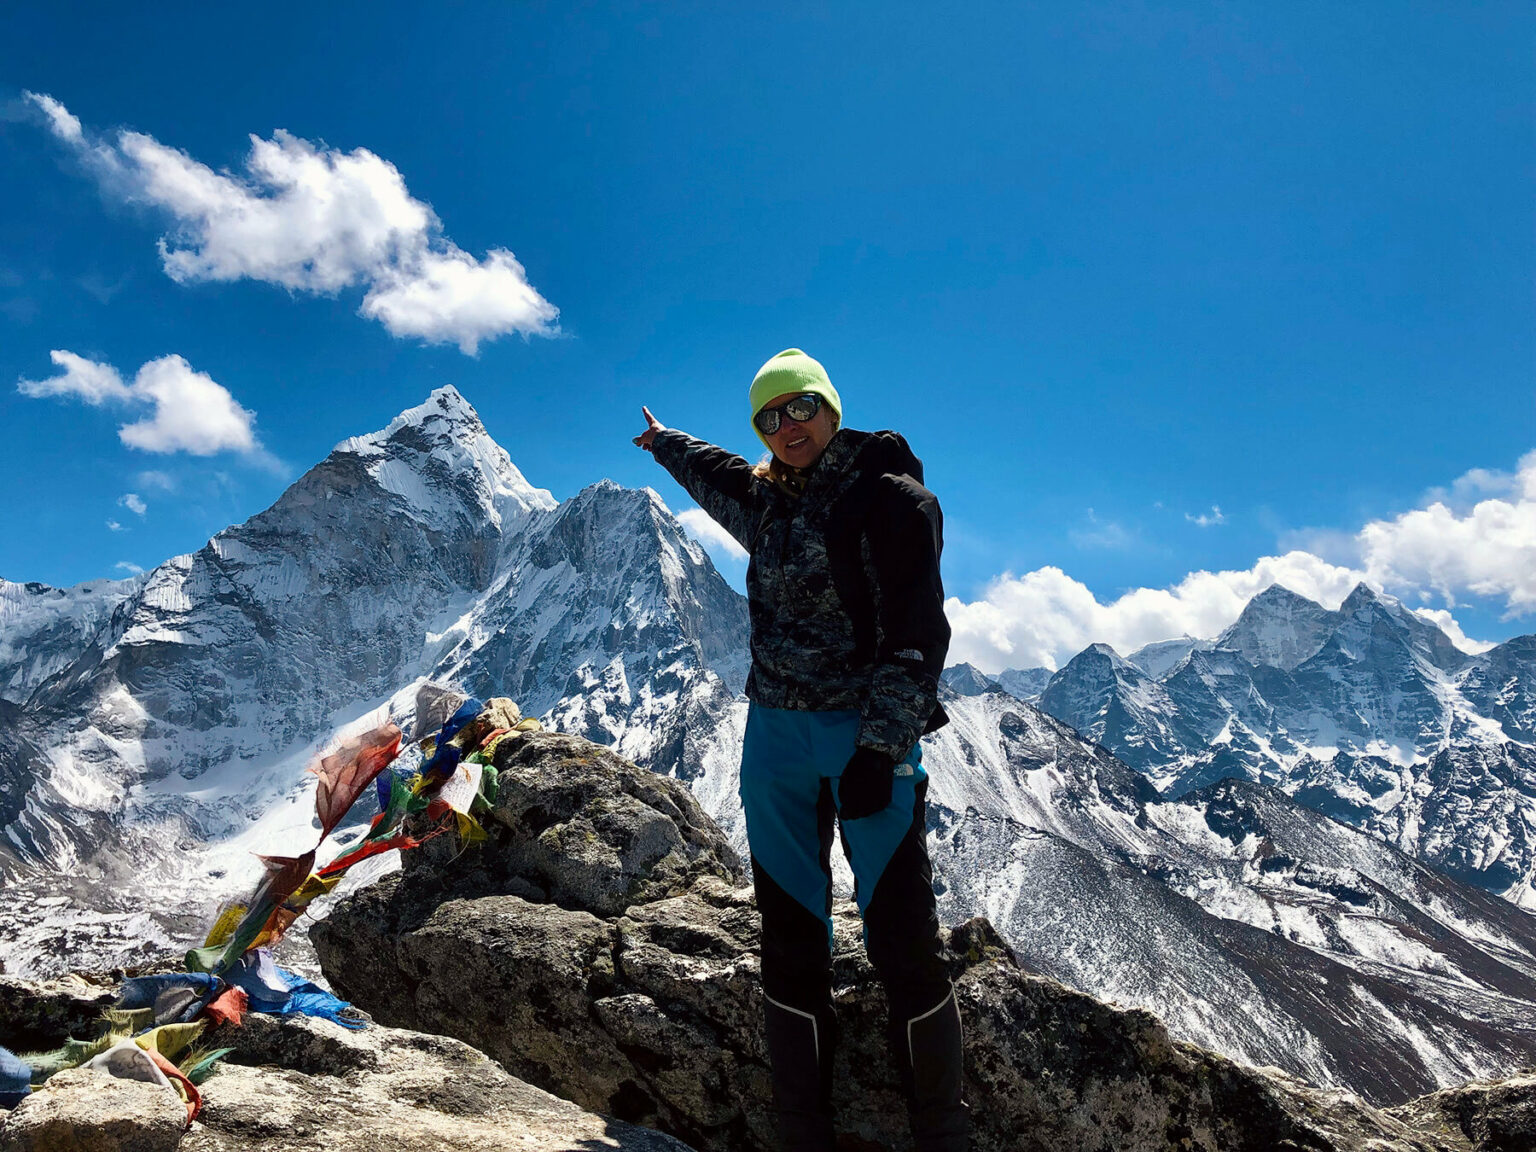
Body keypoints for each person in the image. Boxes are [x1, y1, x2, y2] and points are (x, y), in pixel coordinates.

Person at [634, 348, 967, 1152]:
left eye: (802, 406)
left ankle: (942, 1136)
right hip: (775, 738)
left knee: (903, 942)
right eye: (770, 416)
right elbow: (714, 477)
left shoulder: (890, 499)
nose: (788, 426)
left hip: (864, 735)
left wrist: (880, 746)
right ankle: (802, 1134)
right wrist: (667, 443)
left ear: (832, 407)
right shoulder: (767, 503)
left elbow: (919, 636)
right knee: (789, 939)